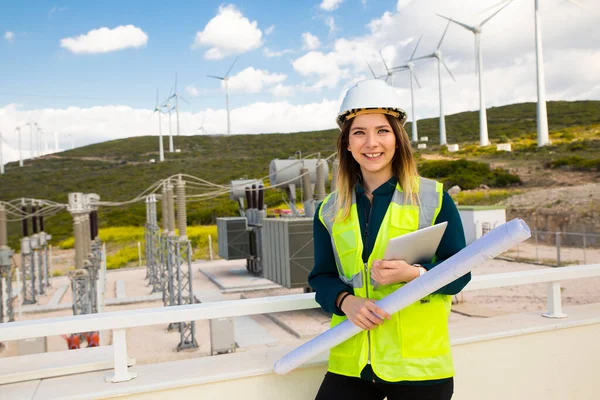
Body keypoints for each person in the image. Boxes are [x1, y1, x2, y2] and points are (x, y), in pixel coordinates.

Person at [308, 79, 471, 400]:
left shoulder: (433, 197)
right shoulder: (328, 209)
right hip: (351, 362)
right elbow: (322, 278)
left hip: (418, 367)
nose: (372, 143)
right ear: (347, 144)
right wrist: (345, 302)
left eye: (382, 131)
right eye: (359, 132)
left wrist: (415, 274)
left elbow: (460, 273)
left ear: (398, 138)